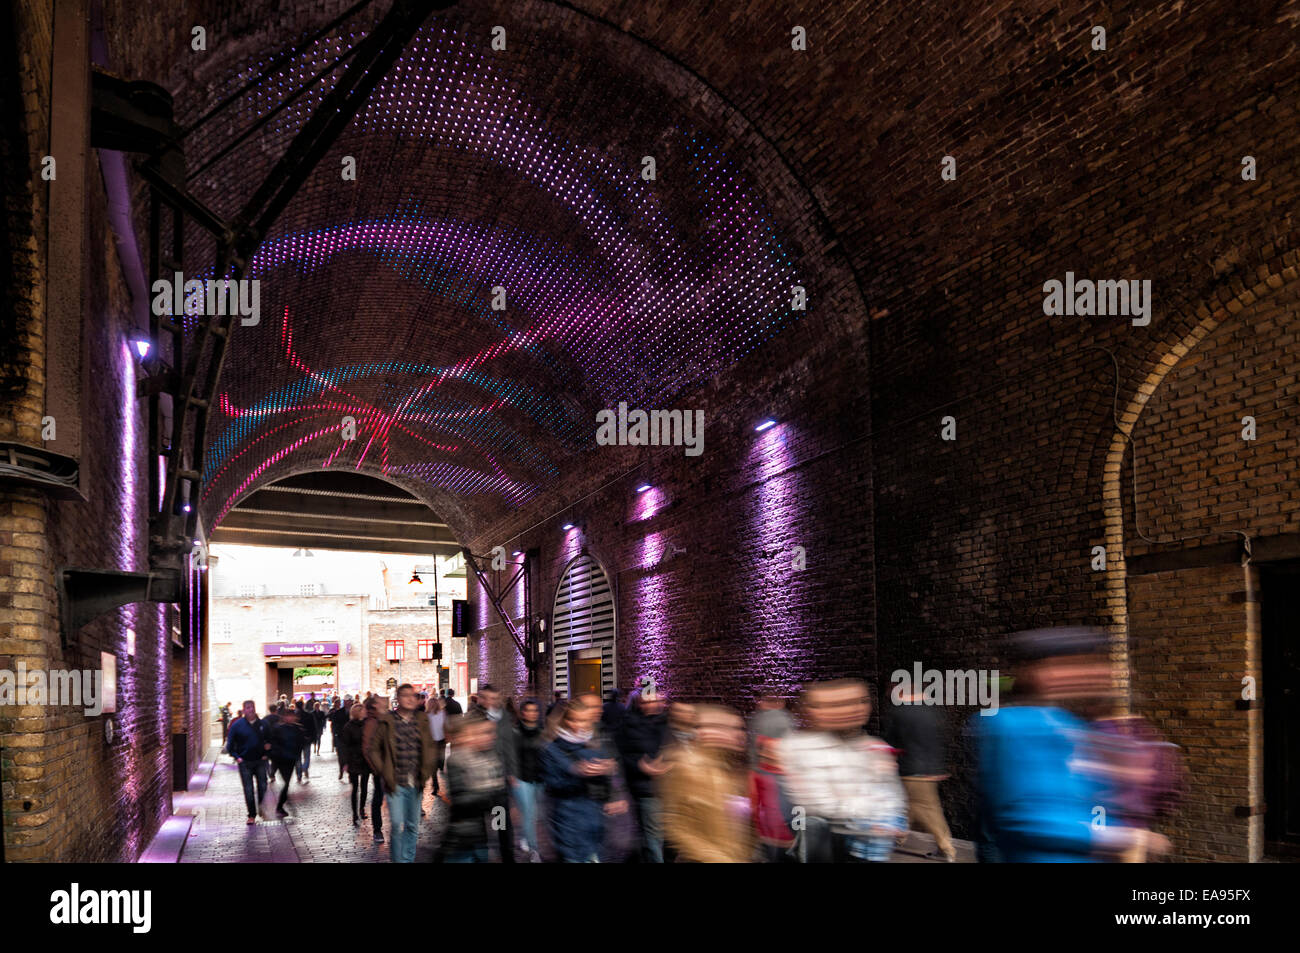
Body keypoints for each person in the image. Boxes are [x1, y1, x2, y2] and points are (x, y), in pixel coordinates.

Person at [975, 628, 1172, 863]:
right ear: (1043, 672)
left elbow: (1093, 805)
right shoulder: (1010, 725)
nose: (1099, 672)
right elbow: (1026, 818)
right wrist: (1122, 837)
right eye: (1079, 663)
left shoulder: (1071, 724)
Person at [780, 679, 907, 862]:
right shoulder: (797, 748)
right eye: (837, 704)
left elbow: (893, 796)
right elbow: (817, 802)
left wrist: (892, 817)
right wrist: (873, 815)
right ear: (813, 710)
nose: (854, 709)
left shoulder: (876, 747)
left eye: (862, 701)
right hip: (827, 846)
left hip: (868, 848)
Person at [661, 704, 754, 862]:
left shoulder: (734, 769)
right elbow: (675, 825)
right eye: (720, 727)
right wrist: (715, 856)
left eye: (738, 728)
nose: (735, 734)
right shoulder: (688, 766)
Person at [540, 693, 627, 862]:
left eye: (585, 721)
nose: (579, 726)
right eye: (575, 720)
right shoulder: (553, 748)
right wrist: (577, 773)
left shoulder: (595, 742)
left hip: (595, 817)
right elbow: (553, 784)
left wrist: (612, 783)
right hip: (568, 819)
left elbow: (610, 774)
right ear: (565, 720)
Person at [884, 685, 957, 862]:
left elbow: (891, 741)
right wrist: (939, 768)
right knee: (910, 805)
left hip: (911, 769)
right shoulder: (932, 711)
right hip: (930, 769)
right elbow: (941, 740)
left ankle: (946, 849)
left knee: (927, 809)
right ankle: (898, 837)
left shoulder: (899, 713)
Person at [365, 683, 436, 863]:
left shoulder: (422, 719)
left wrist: (427, 769)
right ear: (398, 698)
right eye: (406, 695)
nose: (411, 699)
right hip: (394, 782)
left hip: (416, 781)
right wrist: (383, 771)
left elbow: (430, 746)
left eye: (413, 695)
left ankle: (407, 860)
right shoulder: (388, 721)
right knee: (397, 825)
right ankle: (398, 860)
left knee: (412, 825)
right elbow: (373, 749)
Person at [441, 712, 507, 862]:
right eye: (485, 733)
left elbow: (501, 804)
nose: (492, 737)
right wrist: (490, 795)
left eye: (491, 732)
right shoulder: (457, 759)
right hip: (461, 838)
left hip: (482, 839)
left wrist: (500, 837)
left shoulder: (491, 759)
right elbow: (460, 801)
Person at [616, 688, 670, 862]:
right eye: (647, 701)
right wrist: (641, 766)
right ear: (639, 703)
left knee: (659, 835)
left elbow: (674, 749)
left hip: (668, 788)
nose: (652, 705)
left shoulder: (666, 723)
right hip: (647, 789)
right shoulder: (630, 724)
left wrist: (670, 763)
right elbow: (623, 755)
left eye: (654, 701)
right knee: (653, 835)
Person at [478, 684, 518, 862]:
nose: (491, 702)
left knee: (501, 823)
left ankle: (506, 856)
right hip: (479, 781)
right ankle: (482, 856)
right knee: (479, 826)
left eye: (494, 698)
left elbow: (510, 747)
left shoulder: (504, 718)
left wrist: (512, 772)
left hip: (498, 782)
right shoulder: (475, 717)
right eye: (487, 698)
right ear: (481, 699)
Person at [227, 700, 271, 824]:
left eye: (252, 707)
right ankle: (251, 815)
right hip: (245, 762)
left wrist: (267, 754)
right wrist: (237, 757)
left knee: (263, 786)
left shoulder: (263, 724)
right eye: (247, 708)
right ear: (244, 710)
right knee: (248, 789)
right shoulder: (237, 725)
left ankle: (262, 809)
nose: (250, 710)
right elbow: (230, 744)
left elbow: (270, 740)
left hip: (260, 761)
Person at [514, 698, 546, 862]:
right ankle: (535, 850)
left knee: (537, 814)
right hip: (522, 778)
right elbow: (510, 756)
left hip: (540, 778)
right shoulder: (516, 732)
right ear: (523, 713)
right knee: (529, 814)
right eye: (529, 710)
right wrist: (511, 776)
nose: (532, 714)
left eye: (535, 711)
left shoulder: (543, 731)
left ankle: (523, 836)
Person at [269, 707, 306, 817]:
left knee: (287, 783)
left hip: (291, 759)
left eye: (292, 716)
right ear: (284, 717)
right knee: (286, 783)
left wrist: (297, 753)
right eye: (288, 716)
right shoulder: (278, 729)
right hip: (281, 760)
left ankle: (281, 804)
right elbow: (273, 743)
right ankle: (280, 806)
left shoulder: (298, 729)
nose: (290, 718)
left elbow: (301, 742)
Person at [360, 697, 387, 843]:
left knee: (381, 796)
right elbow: (367, 748)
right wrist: (376, 767)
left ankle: (379, 829)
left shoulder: (384, 720)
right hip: (379, 766)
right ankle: (377, 829)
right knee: (378, 797)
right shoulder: (371, 723)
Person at [342, 704, 371, 826]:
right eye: (363, 710)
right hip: (353, 760)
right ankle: (354, 813)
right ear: (358, 712)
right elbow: (345, 746)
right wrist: (345, 763)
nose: (365, 712)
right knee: (355, 789)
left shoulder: (367, 725)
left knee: (364, 787)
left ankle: (361, 809)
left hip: (365, 760)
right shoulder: (348, 726)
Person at [426, 693, 447, 797]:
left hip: (432, 742)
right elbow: (445, 726)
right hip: (441, 740)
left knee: (433, 767)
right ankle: (440, 766)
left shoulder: (427, 716)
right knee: (439, 761)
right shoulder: (442, 713)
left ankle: (435, 786)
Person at [328, 699, 351, 780]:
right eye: (345, 701)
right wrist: (336, 734)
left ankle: (349, 772)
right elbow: (334, 723)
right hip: (341, 737)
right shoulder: (338, 712)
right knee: (341, 756)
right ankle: (341, 770)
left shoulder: (353, 711)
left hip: (351, 738)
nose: (347, 703)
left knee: (350, 756)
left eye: (348, 701)